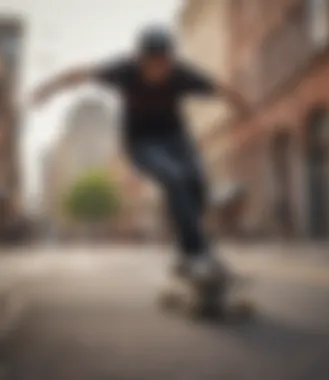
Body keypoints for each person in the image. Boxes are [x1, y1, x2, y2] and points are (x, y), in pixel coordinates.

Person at [31, 25, 252, 281]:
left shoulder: (180, 74)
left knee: (197, 183)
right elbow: (81, 74)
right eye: (152, 64)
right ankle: (196, 253)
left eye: (164, 64)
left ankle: (186, 251)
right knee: (174, 178)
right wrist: (46, 90)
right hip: (141, 143)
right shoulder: (124, 71)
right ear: (140, 59)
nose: (158, 70)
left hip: (177, 139)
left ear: (170, 60)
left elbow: (219, 88)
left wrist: (244, 108)